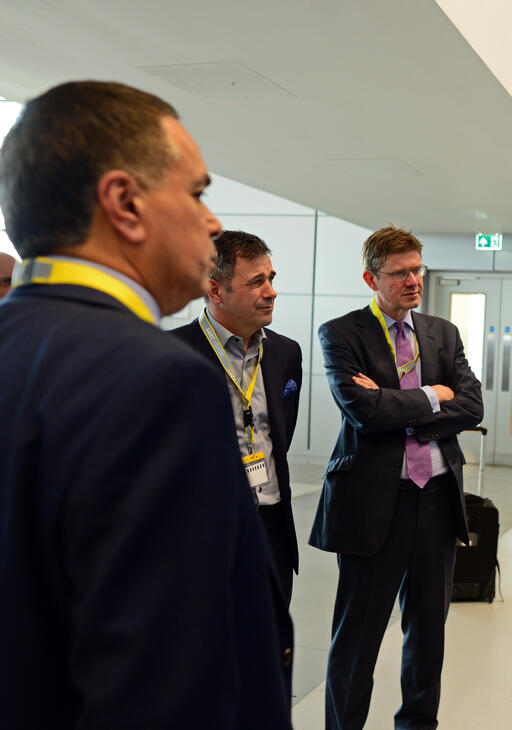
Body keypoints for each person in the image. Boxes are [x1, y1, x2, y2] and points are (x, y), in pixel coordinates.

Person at [0, 81, 292, 728]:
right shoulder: (160, 381)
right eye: (196, 193)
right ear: (125, 204)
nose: (213, 222)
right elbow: (164, 684)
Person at [311, 224, 483, 730]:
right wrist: (435, 394)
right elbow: (364, 412)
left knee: (428, 633)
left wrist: (398, 405)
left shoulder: (442, 333)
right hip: (372, 503)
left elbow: (472, 407)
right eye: (400, 273)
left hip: (435, 500)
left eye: (417, 270)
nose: (413, 281)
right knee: (357, 638)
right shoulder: (341, 334)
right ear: (371, 277)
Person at [171, 230, 303, 603]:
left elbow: (281, 433)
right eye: (256, 281)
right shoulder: (172, 354)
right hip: (205, 533)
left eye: (271, 279)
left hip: (273, 527)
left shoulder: (285, 353)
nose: (271, 291)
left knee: (272, 648)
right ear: (215, 291)